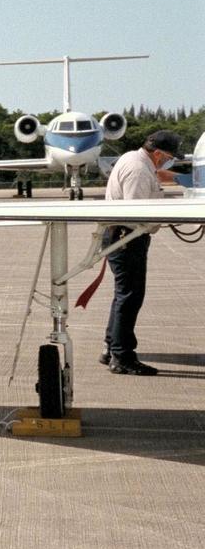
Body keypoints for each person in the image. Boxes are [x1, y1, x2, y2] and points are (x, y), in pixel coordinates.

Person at [100, 129, 182, 376]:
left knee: (124, 295)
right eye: (168, 158)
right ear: (158, 153)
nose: (168, 163)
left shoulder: (134, 160)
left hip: (123, 236)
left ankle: (111, 347)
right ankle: (122, 356)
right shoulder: (138, 169)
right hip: (127, 237)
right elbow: (137, 213)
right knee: (130, 296)